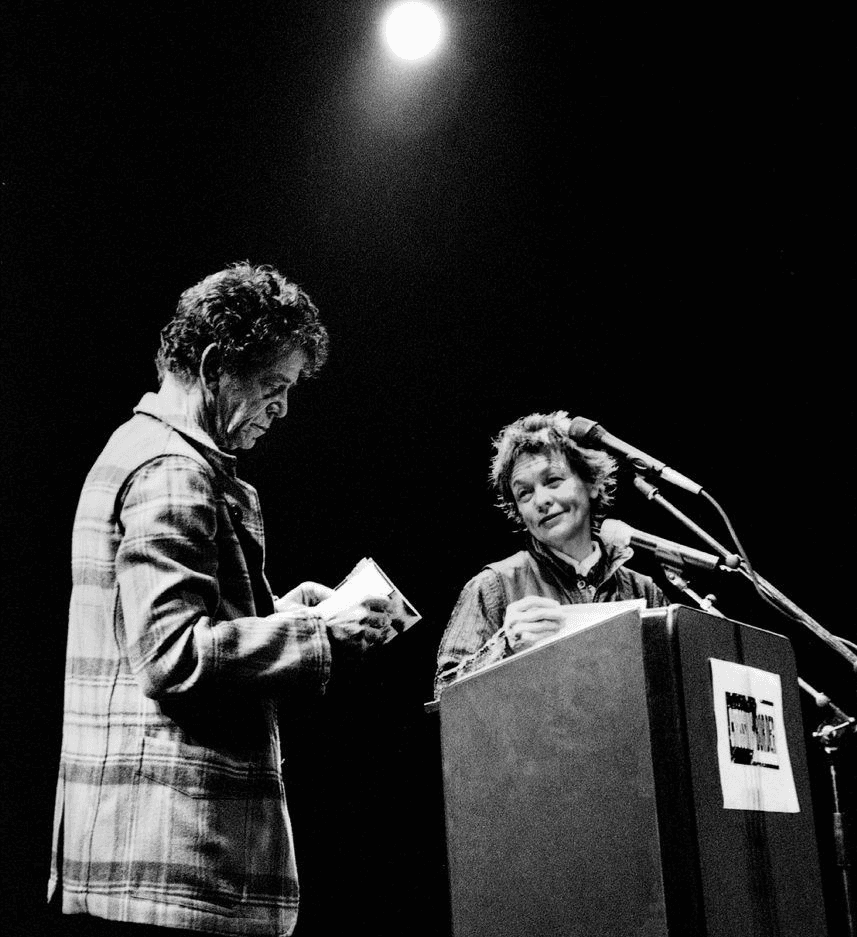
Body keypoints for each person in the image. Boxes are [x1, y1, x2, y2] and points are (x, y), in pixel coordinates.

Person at [48, 263, 396, 936]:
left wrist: (288, 613)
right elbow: (173, 655)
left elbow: (152, 633)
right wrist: (318, 638)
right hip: (176, 862)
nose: (282, 407)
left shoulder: (138, 447)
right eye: (273, 385)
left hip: (141, 853)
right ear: (214, 365)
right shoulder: (173, 469)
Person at [434, 410, 665, 697]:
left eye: (553, 480)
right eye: (525, 493)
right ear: (519, 511)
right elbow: (444, 695)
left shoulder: (643, 590)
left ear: (592, 483)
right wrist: (504, 646)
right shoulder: (493, 586)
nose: (541, 500)